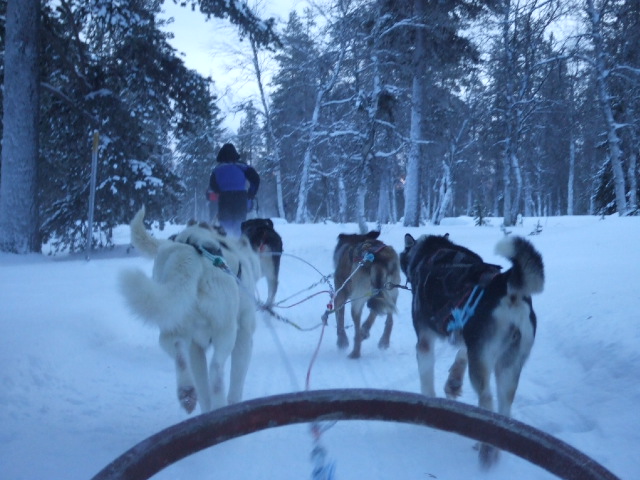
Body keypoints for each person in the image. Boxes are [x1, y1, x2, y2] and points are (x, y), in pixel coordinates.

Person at [209, 143, 260, 237]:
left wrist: (219, 192)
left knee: (225, 224)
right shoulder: (243, 166)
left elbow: (212, 185)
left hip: (224, 199)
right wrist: (251, 193)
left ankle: (226, 245)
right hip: (240, 198)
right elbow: (255, 179)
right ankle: (239, 245)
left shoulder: (217, 169)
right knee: (239, 223)